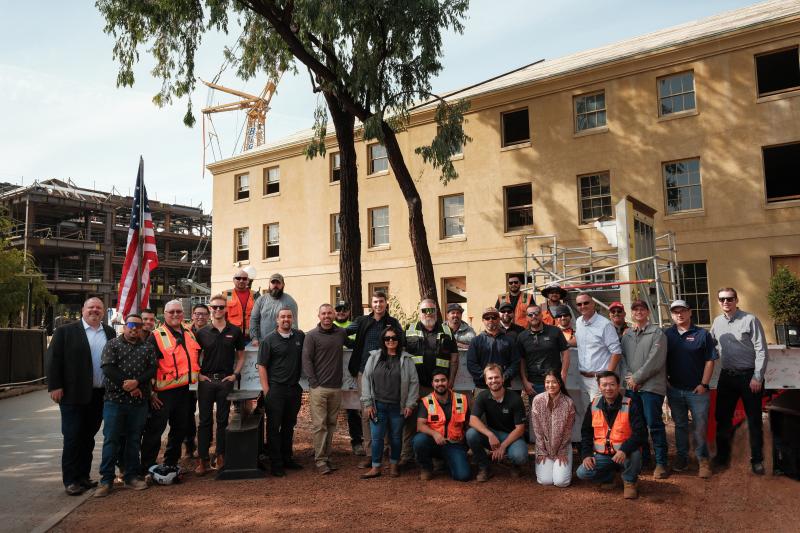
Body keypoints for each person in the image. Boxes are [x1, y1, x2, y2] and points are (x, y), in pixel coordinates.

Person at [47, 297, 116, 495]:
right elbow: (53, 360)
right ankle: (70, 480)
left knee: (88, 438)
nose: (95, 310)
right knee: (72, 437)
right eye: (91, 307)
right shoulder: (65, 332)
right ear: (83, 310)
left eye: (98, 308)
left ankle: (83, 477)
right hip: (72, 394)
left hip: (100, 395)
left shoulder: (109, 332)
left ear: (103, 311)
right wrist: (55, 386)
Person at [94, 314, 156, 497]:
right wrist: (128, 386)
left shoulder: (147, 346)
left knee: (134, 440)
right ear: (124, 326)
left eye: (138, 325)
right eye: (131, 325)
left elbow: (152, 369)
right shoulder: (112, 344)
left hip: (138, 403)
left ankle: (131, 477)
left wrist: (137, 382)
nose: (134, 328)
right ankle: (106, 480)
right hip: (115, 401)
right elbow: (107, 368)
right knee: (111, 440)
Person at [710, 287, 768, 475]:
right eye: (722, 299)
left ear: (736, 300)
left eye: (729, 299)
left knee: (754, 420)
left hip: (749, 377)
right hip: (727, 377)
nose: (725, 302)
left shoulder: (749, 320)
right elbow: (709, 344)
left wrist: (757, 377)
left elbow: (761, 350)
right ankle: (722, 457)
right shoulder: (717, 322)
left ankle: (757, 460)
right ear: (719, 302)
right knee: (722, 418)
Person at [140, 300, 201, 475]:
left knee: (179, 428)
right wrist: (151, 393)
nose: (175, 315)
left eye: (178, 312)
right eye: (171, 312)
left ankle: (171, 463)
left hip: (184, 391)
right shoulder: (156, 336)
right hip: (162, 394)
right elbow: (148, 367)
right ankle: (147, 467)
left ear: (183, 314)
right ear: (164, 314)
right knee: (155, 430)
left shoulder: (189, 333)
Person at [346, 291, 403, 468]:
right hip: (364, 371)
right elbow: (343, 332)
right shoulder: (362, 321)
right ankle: (370, 454)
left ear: (386, 303)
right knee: (367, 412)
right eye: (375, 302)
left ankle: (384, 451)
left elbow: (402, 341)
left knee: (384, 410)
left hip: (386, 372)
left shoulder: (392, 323)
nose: (378, 304)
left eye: (381, 301)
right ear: (371, 304)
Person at [664, 299, 716, 478]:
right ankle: (682, 458)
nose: (679, 314)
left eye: (683, 310)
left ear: (690, 312)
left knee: (700, 425)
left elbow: (710, 360)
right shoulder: (667, 335)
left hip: (698, 391)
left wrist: (704, 384)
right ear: (671, 314)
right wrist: (665, 381)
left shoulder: (702, 334)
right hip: (675, 390)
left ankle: (703, 460)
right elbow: (660, 360)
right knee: (680, 426)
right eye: (675, 311)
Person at [194, 295, 245, 475]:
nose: (217, 310)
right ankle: (202, 459)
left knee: (223, 420)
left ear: (226, 309)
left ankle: (220, 455)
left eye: (221, 307)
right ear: (210, 309)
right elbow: (194, 356)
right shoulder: (202, 332)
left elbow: (241, 355)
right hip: (206, 381)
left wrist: (235, 374)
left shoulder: (235, 331)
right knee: (205, 421)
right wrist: (198, 374)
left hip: (225, 381)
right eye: (214, 307)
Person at [360, 325, 419, 479]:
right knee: (377, 437)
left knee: (396, 437)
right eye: (387, 338)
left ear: (399, 340)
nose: (390, 340)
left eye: (394, 338)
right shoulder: (374, 357)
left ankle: (394, 465)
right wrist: (367, 403)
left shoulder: (406, 360)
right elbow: (366, 379)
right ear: (383, 340)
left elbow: (414, 383)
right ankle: (376, 467)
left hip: (397, 407)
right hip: (377, 405)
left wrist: (410, 404)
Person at [576, 371, 646, 499]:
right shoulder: (593, 405)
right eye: (604, 385)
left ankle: (630, 481)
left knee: (635, 453)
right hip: (603, 455)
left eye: (612, 384)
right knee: (582, 472)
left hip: (626, 454)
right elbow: (586, 433)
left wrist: (624, 449)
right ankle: (608, 477)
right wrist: (586, 455)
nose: (608, 388)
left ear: (618, 386)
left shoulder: (631, 404)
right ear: (599, 387)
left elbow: (641, 433)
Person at [620, 300, 669, 479]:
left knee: (654, 425)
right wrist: (629, 378)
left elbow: (655, 360)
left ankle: (661, 463)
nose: (638, 312)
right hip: (632, 387)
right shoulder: (627, 335)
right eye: (635, 309)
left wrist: (637, 378)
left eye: (642, 309)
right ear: (631, 313)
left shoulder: (657, 333)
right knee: (636, 426)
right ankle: (644, 459)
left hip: (651, 387)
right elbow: (623, 359)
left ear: (648, 312)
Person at [302, 303, 350, 475]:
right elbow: (306, 360)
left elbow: (353, 344)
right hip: (319, 388)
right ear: (319, 316)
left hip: (336, 388)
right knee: (319, 425)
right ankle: (320, 460)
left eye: (330, 313)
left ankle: (327, 456)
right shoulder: (312, 336)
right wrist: (314, 382)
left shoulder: (340, 333)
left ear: (334, 315)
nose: (327, 316)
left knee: (331, 424)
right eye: (324, 313)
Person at [258, 308, 305, 477]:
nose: (286, 319)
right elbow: (261, 366)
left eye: (289, 317)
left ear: (292, 319)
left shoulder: (300, 336)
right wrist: (267, 390)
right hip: (276, 390)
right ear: (277, 320)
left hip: (294, 389)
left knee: (289, 426)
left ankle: (287, 458)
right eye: (283, 317)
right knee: (273, 427)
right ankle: (276, 463)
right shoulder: (269, 340)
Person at [466, 363, 528, 481]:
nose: (493, 380)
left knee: (520, 456)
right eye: (490, 378)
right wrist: (490, 434)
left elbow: (520, 428)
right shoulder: (482, 396)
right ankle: (484, 467)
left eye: (496, 377)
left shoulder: (515, 398)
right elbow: (472, 420)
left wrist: (503, 446)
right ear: (485, 381)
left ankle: (514, 464)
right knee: (471, 434)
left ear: (503, 378)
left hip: (512, 435)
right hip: (493, 434)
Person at [413, 371, 471, 482]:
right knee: (419, 440)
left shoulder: (461, 399)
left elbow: (469, 424)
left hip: (454, 444)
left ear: (448, 382)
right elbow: (420, 426)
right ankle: (426, 468)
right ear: (432, 384)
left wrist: (470, 445)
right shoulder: (426, 401)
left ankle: (449, 461)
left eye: (443, 380)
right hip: (434, 443)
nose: (440, 383)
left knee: (463, 476)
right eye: (437, 381)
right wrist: (435, 434)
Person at [530, 370, 576, 487]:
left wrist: (562, 451)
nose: (550, 385)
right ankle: (549, 465)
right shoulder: (537, 400)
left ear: (560, 383)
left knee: (561, 482)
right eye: (547, 382)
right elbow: (537, 429)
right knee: (545, 481)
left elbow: (568, 431)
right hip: (544, 447)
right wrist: (541, 450)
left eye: (554, 382)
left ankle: (565, 466)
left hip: (562, 446)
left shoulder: (568, 403)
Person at [574, 292, 622, 403]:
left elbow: (616, 352)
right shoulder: (578, 322)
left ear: (593, 304)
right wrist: (562, 342)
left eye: (586, 303)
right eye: (579, 304)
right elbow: (579, 340)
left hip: (598, 379)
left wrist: (607, 377)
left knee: (599, 416)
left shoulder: (605, 324)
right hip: (582, 378)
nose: (582, 306)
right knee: (586, 415)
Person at [333, 301, 365, 457]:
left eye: (344, 309)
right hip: (332, 374)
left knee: (353, 410)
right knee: (328, 411)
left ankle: (357, 442)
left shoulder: (354, 326)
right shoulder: (327, 324)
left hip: (350, 374)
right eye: (338, 309)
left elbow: (358, 345)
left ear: (348, 311)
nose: (341, 312)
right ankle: (325, 445)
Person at [518, 304, 570, 397]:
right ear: (526, 317)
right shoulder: (522, 336)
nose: (534, 316)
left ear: (541, 315)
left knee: (556, 410)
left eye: (536, 313)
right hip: (534, 383)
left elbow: (565, 353)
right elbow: (522, 360)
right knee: (537, 411)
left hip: (554, 381)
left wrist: (563, 375)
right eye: (530, 315)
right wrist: (525, 381)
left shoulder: (555, 331)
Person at [467, 307, 518, 391]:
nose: (491, 320)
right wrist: (487, 377)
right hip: (482, 387)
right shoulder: (476, 341)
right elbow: (471, 363)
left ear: (499, 319)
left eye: (494, 317)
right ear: (483, 320)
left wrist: (504, 376)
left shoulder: (509, 340)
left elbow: (515, 362)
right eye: (487, 318)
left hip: (504, 386)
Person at [184, 303, 210, 458]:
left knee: (205, 413)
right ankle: (189, 445)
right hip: (188, 376)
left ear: (208, 316)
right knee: (188, 412)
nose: (200, 317)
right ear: (192, 315)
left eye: (203, 314)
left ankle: (206, 446)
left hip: (206, 376)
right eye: (197, 314)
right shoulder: (184, 332)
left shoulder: (213, 331)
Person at [250, 273, 298, 346]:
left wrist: (292, 341)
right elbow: (254, 320)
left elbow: (293, 324)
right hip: (263, 343)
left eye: (278, 283)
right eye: (273, 282)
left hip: (283, 343)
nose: (275, 285)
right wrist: (254, 338)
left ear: (283, 285)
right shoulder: (261, 300)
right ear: (269, 284)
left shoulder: (290, 301)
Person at [225, 268, 258, 343]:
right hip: (232, 335)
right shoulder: (228, 294)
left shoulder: (255, 295)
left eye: (244, 279)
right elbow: (223, 314)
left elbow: (261, 315)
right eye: (238, 278)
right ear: (233, 280)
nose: (241, 280)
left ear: (248, 281)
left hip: (251, 337)